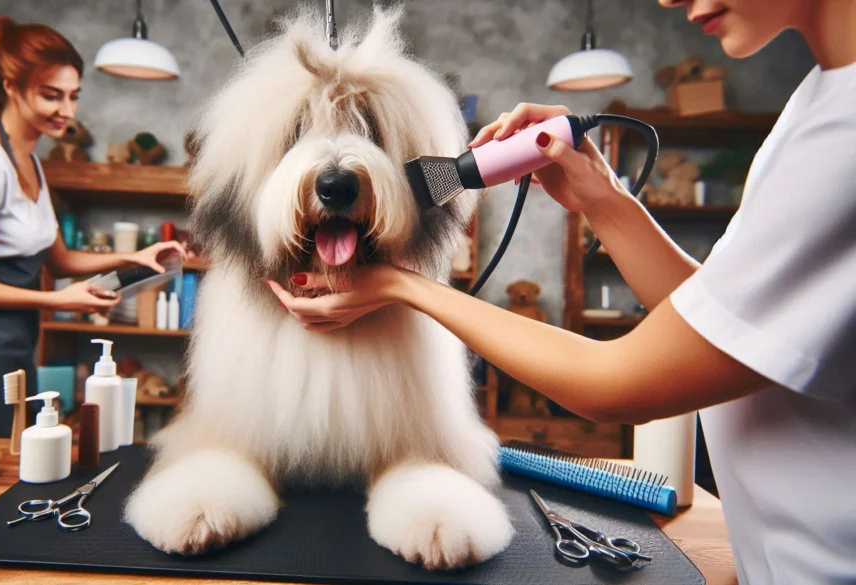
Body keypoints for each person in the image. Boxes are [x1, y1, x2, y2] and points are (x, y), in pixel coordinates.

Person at [267, 1, 856, 583]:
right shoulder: (819, 101)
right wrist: (602, 199)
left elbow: (616, 384)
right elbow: (726, 323)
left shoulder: (843, 139)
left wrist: (400, 284)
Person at [0, 16, 186, 468]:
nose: (67, 111)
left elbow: (62, 257)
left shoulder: (30, 162)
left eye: (73, 96)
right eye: (51, 95)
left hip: (11, 350)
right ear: (11, 86)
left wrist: (136, 256)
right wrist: (53, 299)